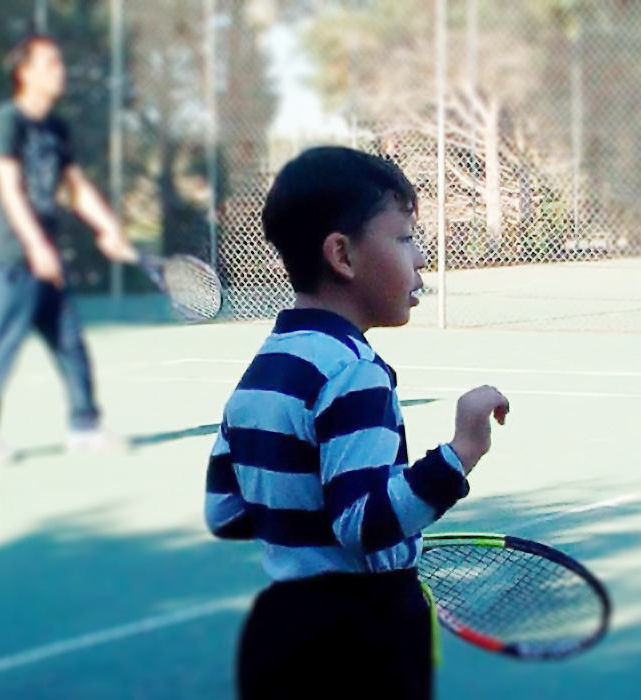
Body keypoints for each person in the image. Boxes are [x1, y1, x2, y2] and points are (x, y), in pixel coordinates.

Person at [204, 146, 509, 700]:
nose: (421, 258)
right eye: (405, 238)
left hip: (278, 632)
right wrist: (461, 453)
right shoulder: (355, 373)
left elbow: (223, 510)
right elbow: (364, 524)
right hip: (359, 641)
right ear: (342, 255)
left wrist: (300, 527)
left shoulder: (266, 367)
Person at [0, 35, 139, 460]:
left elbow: (76, 187)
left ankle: (84, 427)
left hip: (46, 259)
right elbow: (8, 190)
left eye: (60, 63)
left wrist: (110, 229)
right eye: (50, 63)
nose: (60, 71)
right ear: (25, 72)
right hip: (8, 258)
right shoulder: (5, 122)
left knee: (70, 342)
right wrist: (35, 244)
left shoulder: (56, 127)